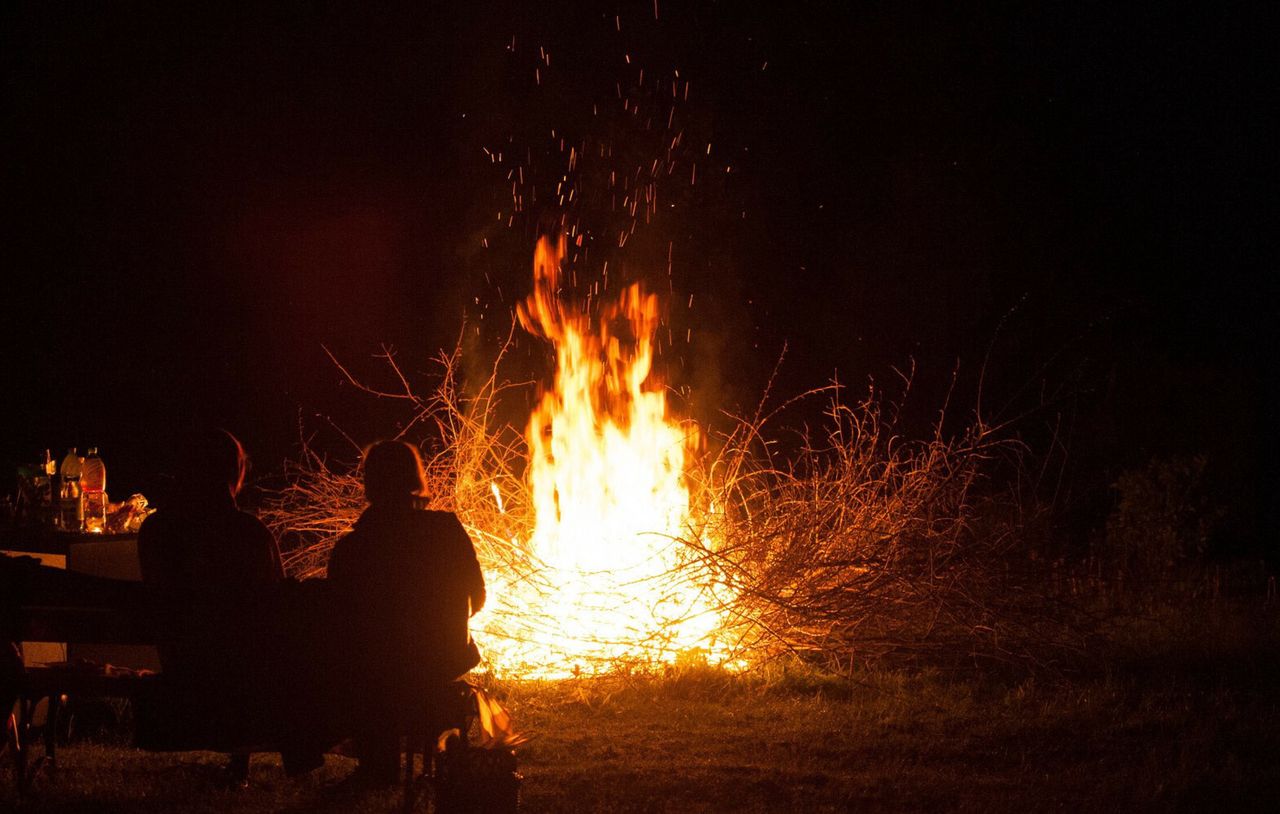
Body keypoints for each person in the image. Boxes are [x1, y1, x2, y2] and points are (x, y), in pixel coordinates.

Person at [136, 428, 319, 783]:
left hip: (182, 666)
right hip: (243, 676)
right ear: (232, 475)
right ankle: (300, 757)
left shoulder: (156, 530)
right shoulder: (250, 533)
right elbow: (275, 606)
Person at [326, 439, 486, 784]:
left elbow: (337, 618)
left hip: (375, 669)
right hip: (444, 660)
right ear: (416, 477)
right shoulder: (446, 530)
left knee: (363, 671)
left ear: (370, 483)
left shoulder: (353, 547)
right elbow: (479, 597)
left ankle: (377, 767)